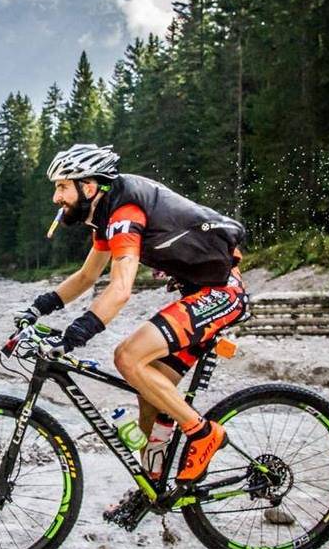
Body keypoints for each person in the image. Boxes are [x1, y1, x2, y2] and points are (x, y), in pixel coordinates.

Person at [14, 143, 249, 493]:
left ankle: (203, 434)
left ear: (88, 187)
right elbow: (86, 277)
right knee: (149, 388)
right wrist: (39, 307)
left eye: (62, 187)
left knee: (127, 357)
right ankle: (153, 487)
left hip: (222, 295)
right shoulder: (106, 217)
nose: (55, 198)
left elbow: (120, 288)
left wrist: (74, 335)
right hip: (202, 293)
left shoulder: (125, 214)